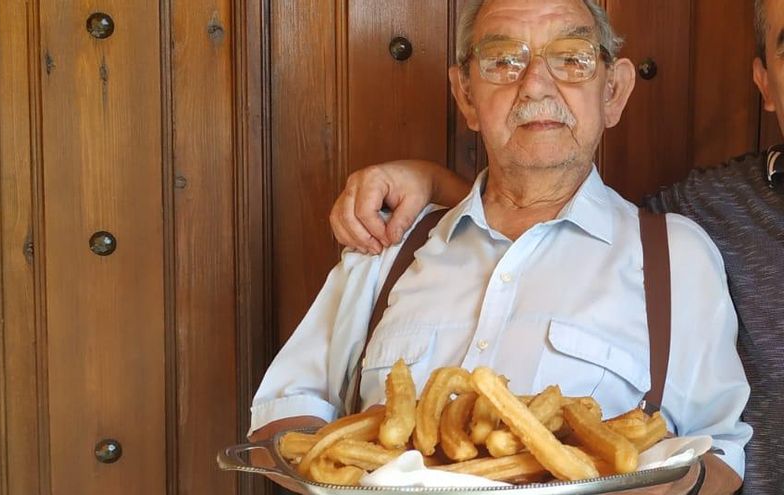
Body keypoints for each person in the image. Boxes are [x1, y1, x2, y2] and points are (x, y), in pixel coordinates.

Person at [253, 0, 751, 493]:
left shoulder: (676, 257)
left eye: (572, 58)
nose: (535, 83)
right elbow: (281, 417)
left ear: (613, 92)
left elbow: (721, 454)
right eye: (503, 61)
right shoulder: (386, 244)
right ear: (466, 95)